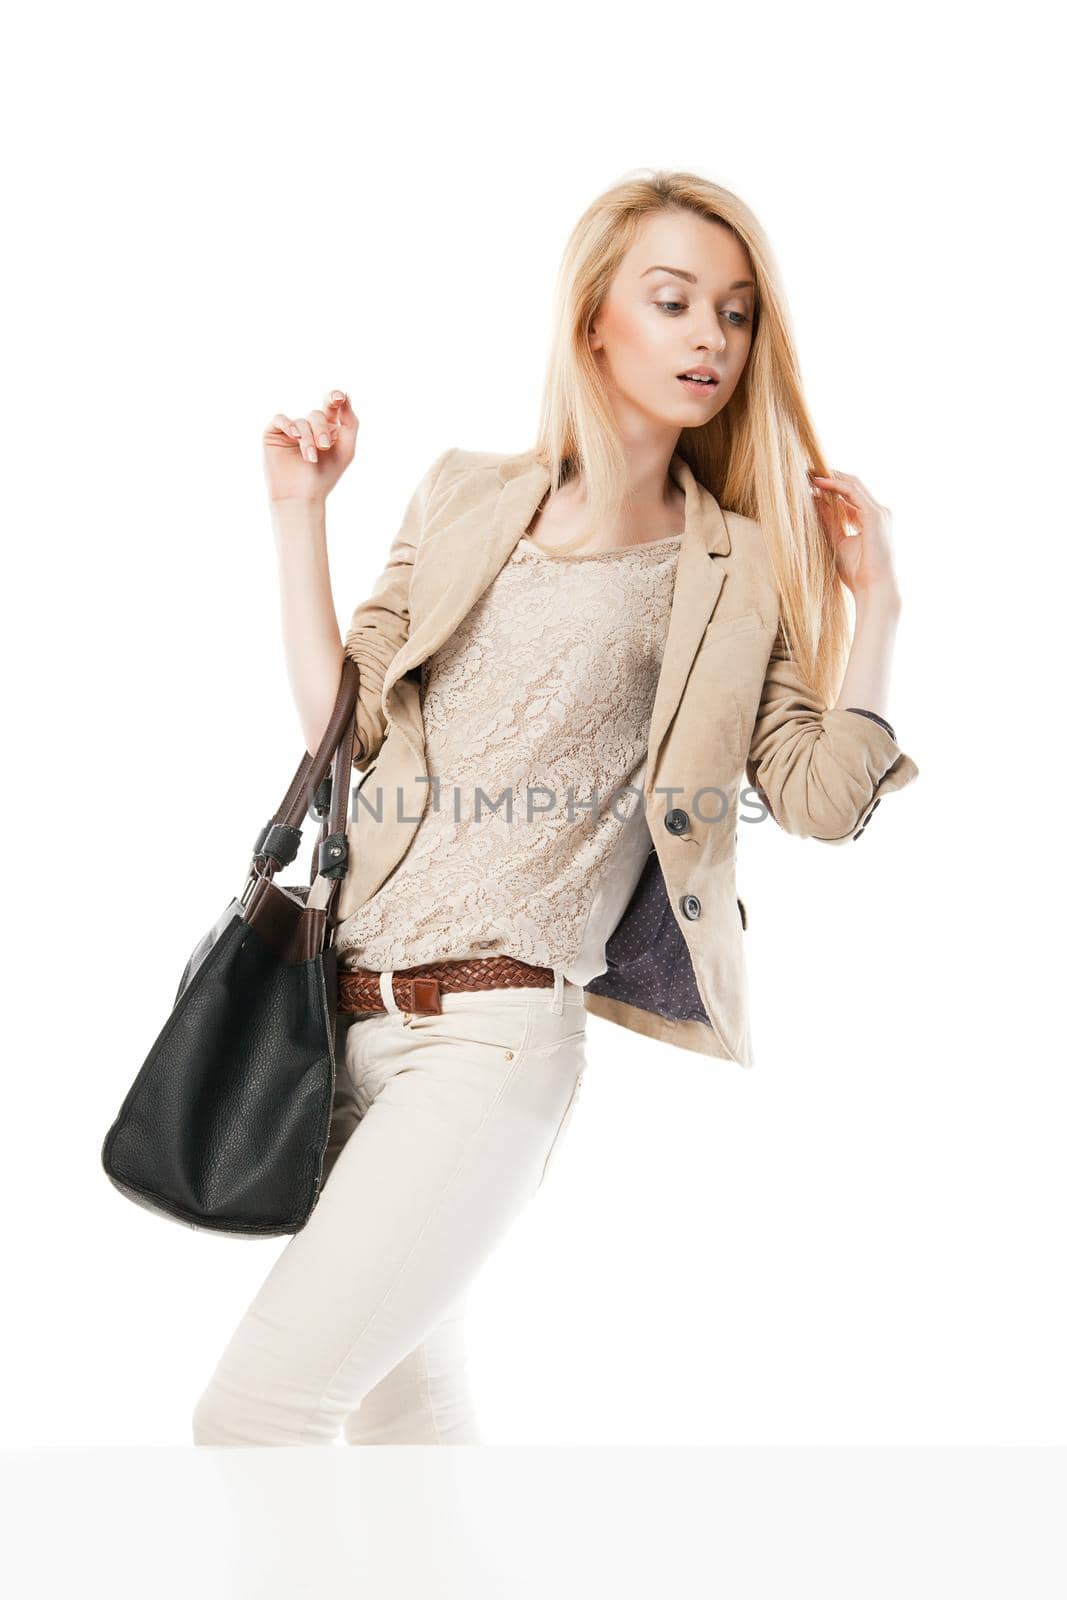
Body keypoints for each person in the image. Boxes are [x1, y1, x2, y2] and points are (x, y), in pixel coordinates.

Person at [191, 168, 919, 1446]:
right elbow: (341, 727)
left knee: (255, 1418)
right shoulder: (466, 490)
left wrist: (876, 612)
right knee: (398, 1432)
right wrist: (300, 513)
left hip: (493, 1041)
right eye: (675, 301)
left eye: (735, 313)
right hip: (343, 1020)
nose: (710, 336)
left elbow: (812, 797)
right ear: (595, 322)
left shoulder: (741, 559)